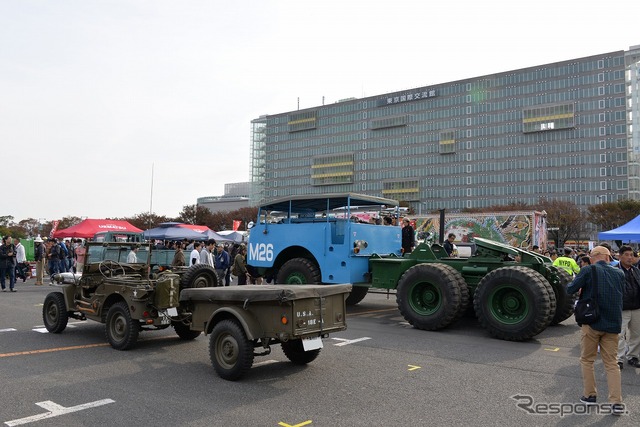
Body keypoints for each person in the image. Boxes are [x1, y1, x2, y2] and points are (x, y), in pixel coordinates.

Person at [566, 246, 625, 415]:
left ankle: (590, 395)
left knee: (587, 360)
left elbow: (570, 289)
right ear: (607, 257)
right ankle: (616, 402)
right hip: (613, 323)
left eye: (591, 257)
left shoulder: (588, 270)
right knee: (611, 363)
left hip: (592, 322)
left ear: (595, 257)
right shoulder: (619, 273)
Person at [616, 245, 640, 369]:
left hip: (636, 307)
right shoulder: (615, 270)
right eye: (627, 255)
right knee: (619, 334)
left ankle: (633, 356)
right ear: (620, 256)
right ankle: (618, 359)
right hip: (622, 308)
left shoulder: (635, 270)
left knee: (636, 334)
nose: (630, 258)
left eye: (631, 255)